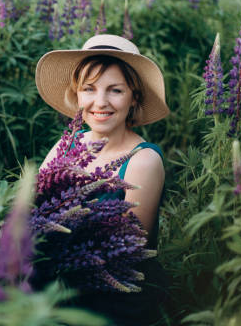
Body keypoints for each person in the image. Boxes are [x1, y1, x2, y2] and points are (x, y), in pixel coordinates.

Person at [35, 34, 170, 325]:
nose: (100, 102)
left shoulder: (142, 160)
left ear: (134, 96)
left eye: (115, 90)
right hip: (57, 284)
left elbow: (130, 247)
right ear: (77, 94)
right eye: (89, 89)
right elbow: (31, 208)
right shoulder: (68, 143)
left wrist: (60, 232)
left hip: (112, 298)